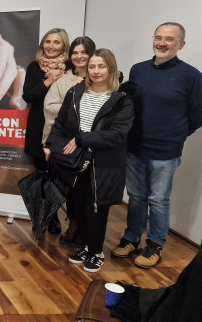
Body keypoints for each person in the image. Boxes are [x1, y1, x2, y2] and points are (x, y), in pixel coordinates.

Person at [112, 22, 202, 268]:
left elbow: (197, 114)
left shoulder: (192, 76)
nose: (162, 43)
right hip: (135, 146)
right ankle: (131, 238)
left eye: (170, 39)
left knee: (158, 200)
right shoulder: (138, 70)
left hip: (165, 152)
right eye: (159, 37)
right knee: (136, 197)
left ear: (181, 44)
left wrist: (176, 135)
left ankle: (154, 245)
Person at [44, 49, 135, 273]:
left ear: (111, 69)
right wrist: (51, 144)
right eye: (92, 67)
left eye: (101, 66)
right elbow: (61, 123)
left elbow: (118, 134)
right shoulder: (75, 92)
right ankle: (86, 246)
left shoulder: (122, 99)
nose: (96, 71)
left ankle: (96, 252)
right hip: (75, 161)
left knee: (97, 208)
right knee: (79, 205)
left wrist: (81, 139)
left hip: (103, 163)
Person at [41, 36, 96, 245]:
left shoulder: (99, 78)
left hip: (91, 145)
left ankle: (88, 229)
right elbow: (49, 106)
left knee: (87, 191)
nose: (79, 56)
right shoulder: (64, 80)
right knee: (69, 188)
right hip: (64, 144)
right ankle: (73, 225)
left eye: (84, 52)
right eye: (75, 52)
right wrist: (74, 110)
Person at [22, 27, 69, 234]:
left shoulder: (71, 67)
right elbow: (28, 96)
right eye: (48, 42)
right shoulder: (34, 67)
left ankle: (55, 214)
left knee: (58, 175)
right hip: (38, 126)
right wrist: (49, 81)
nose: (51, 46)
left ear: (64, 45)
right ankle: (43, 217)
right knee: (41, 174)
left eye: (56, 42)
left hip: (63, 128)